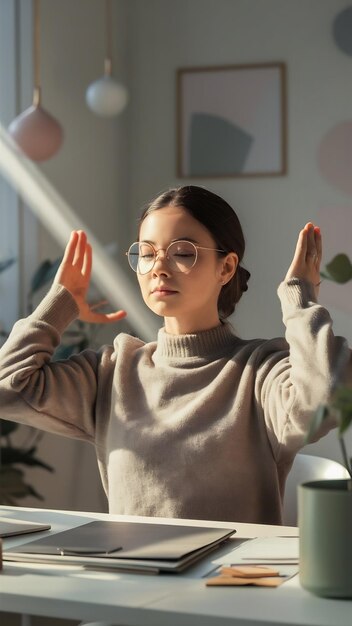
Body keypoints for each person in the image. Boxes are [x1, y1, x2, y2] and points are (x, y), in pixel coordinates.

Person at [0, 185, 350, 524]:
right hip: (134, 575)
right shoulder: (112, 372)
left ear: (226, 269)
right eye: (147, 253)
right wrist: (60, 305)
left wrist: (300, 300)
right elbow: (8, 389)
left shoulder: (259, 372)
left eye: (182, 253)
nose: (159, 268)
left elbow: (323, 401)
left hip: (230, 581)